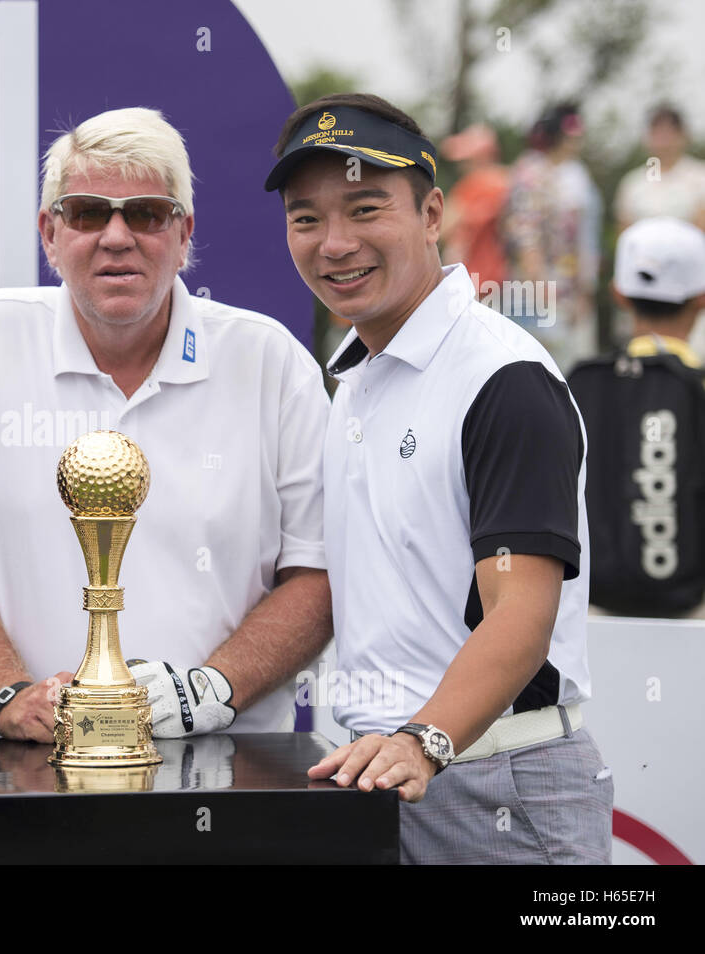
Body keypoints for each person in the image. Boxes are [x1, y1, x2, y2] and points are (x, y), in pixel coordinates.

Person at [0, 107, 333, 742]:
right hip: (33, 768)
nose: (117, 236)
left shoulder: (270, 359)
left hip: (233, 772)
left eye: (148, 213)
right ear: (49, 232)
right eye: (89, 213)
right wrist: (8, 694)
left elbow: (318, 571)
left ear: (184, 234)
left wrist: (208, 692)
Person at [266, 93, 612, 863]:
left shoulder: (503, 376)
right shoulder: (357, 376)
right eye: (306, 218)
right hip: (383, 773)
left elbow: (520, 618)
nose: (335, 243)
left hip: (496, 782)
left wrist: (426, 740)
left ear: (431, 214)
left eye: (365, 209)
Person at [569, 217, 705, 618]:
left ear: (618, 295)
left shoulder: (575, 382)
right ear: (701, 298)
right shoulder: (697, 386)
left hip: (592, 606)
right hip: (690, 609)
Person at [499, 103, 602, 372]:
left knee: (571, 369)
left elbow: (584, 238)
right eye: (572, 135)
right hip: (537, 292)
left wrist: (584, 292)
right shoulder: (531, 173)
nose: (577, 142)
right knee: (538, 367)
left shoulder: (576, 174)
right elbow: (525, 235)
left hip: (569, 290)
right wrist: (543, 291)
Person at [437, 123, 509, 297]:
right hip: (501, 282)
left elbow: (441, 227)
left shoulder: (476, 185)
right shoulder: (508, 181)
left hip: (475, 284)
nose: (461, 166)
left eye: (466, 160)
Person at [615, 106, 705, 233]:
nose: (663, 141)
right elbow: (625, 231)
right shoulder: (633, 182)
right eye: (657, 133)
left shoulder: (700, 176)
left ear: (682, 135)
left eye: (669, 133)